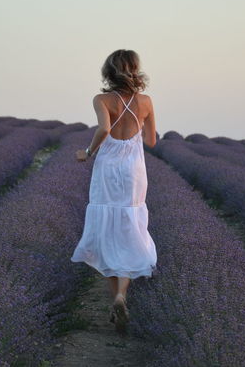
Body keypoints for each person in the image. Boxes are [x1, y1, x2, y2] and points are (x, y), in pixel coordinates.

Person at [72, 49, 158, 332]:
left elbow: (104, 130)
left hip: (108, 168)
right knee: (129, 229)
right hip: (134, 171)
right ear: (135, 70)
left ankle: (116, 298)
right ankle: (122, 294)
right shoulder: (145, 101)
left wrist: (87, 152)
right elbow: (151, 141)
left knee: (106, 230)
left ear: (108, 72)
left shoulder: (102, 99)